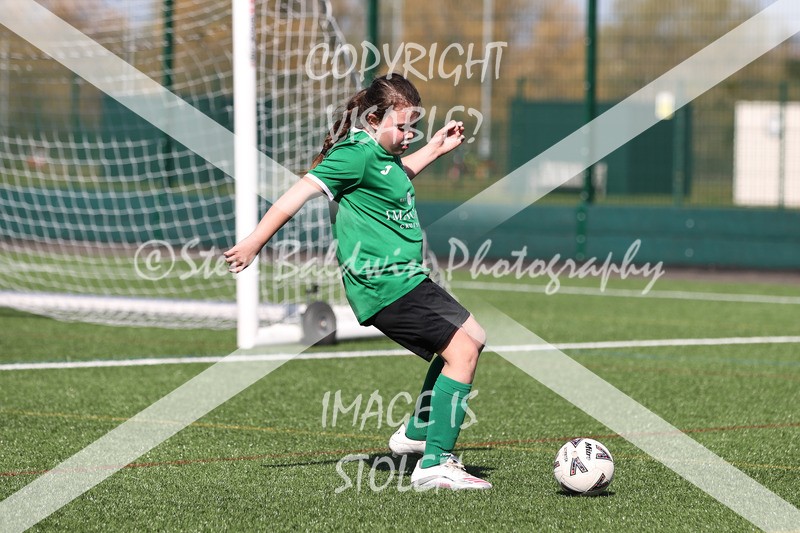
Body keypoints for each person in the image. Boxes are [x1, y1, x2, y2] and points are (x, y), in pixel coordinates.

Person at [224, 74, 490, 490]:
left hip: (408, 278)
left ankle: (418, 433)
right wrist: (255, 241)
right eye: (401, 127)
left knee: (474, 336)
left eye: (413, 127)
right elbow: (297, 194)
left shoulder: (381, 156)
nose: (408, 135)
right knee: (462, 352)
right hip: (383, 283)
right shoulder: (354, 154)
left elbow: (392, 178)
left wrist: (435, 148)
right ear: (372, 120)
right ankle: (434, 465)